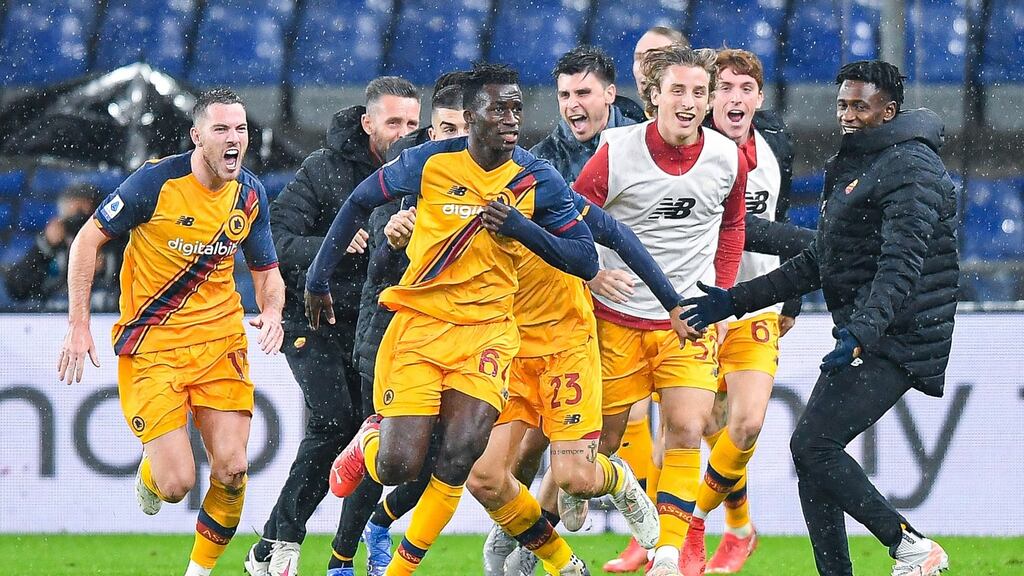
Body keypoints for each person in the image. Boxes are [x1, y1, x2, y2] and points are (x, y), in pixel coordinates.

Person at [308, 63, 600, 576]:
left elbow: (585, 259)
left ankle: (549, 563)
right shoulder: (427, 163)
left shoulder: (536, 178)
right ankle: (369, 444)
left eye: (516, 108)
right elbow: (358, 201)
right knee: (400, 467)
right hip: (421, 328)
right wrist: (317, 278)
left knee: (459, 459)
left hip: (488, 334)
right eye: (498, 109)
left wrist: (523, 229)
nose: (511, 119)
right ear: (470, 118)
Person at [679, 60, 957, 576]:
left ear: (888, 110)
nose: (847, 115)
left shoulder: (912, 168)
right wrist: (731, 300)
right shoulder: (859, 162)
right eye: (843, 104)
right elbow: (820, 262)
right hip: (871, 331)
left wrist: (860, 332)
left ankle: (911, 546)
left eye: (860, 105)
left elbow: (901, 266)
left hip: (902, 336)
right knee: (812, 458)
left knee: (813, 445)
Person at [57, 88, 285, 576]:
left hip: (220, 342)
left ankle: (197, 573)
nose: (233, 140)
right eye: (221, 129)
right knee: (178, 482)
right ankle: (151, 472)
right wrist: (78, 324)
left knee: (232, 470)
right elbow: (86, 240)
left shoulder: (249, 193)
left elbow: (266, 271)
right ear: (196, 136)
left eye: (241, 129)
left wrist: (273, 311)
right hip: (153, 346)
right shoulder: (155, 183)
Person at [572, 44, 749, 576]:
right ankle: (574, 492)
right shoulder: (616, 152)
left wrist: (719, 296)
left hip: (687, 322)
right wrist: (592, 273)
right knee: (598, 445)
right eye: (679, 90)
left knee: (688, 429)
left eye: (700, 92)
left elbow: (734, 226)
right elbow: (572, 220)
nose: (691, 102)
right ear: (653, 96)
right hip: (616, 320)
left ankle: (668, 552)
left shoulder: (726, 157)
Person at [243, 76, 421, 576]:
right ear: (367, 123)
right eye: (393, 122)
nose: (404, 132)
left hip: (375, 328)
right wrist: (335, 243)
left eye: (412, 122)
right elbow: (274, 238)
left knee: (369, 439)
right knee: (335, 424)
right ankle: (287, 545)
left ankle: (286, 547)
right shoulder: (323, 170)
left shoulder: (425, 172)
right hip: (314, 320)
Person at [332, 73, 470, 576]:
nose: (454, 138)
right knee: (390, 461)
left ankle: (377, 525)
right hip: (392, 336)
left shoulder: (493, 171)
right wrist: (389, 238)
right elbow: (373, 257)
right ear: (434, 129)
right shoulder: (405, 168)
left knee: (448, 460)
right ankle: (340, 562)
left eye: (464, 128)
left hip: (460, 339)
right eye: (445, 127)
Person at [3, 182, 123, 312]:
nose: (79, 213)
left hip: (104, 317)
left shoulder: (115, 242)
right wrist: (45, 246)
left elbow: (137, 289)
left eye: (85, 206)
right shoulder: (52, 245)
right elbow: (16, 289)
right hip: (54, 318)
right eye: (74, 206)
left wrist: (106, 266)